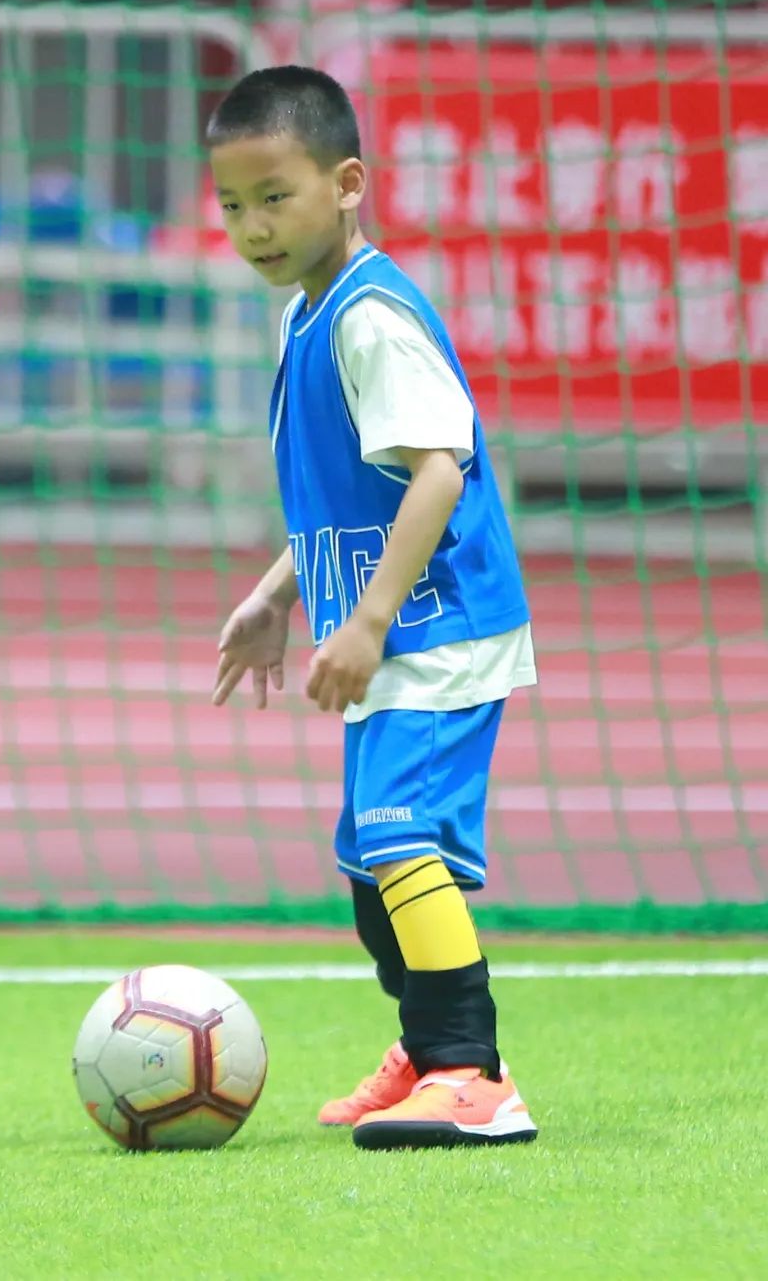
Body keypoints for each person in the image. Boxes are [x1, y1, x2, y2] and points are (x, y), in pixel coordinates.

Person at [206, 65, 538, 1151]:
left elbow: (440, 470)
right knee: (369, 860)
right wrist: (275, 595)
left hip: (441, 624)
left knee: (399, 839)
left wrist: (367, 621)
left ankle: (471, 1072)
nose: (254, 227)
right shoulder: (306, 316)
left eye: (275, 196)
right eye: (233, 204)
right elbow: (353, 497)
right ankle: (426, 1047)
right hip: (400, 626)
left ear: (347, 184)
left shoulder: (369, 318)